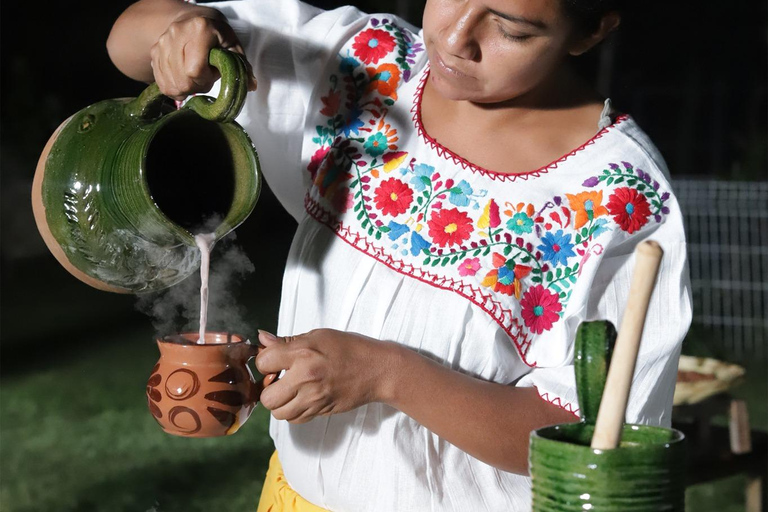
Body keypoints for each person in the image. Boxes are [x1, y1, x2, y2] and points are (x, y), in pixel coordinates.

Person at [107, 0, 692, 510]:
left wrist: (386, 374)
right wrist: (189, 26)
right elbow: (128, 39)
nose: (455, 36)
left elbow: (595, 438)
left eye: (510, 29)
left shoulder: (618, 197)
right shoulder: (364, 69)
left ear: (591, 32)